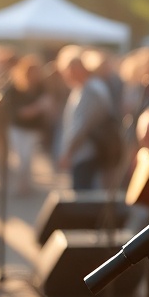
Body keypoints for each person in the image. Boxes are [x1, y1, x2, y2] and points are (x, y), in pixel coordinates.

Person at [55, 45, 118, 191]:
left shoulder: (91, 90)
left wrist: (68, 152)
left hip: (88, 153)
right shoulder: (83, 88)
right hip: (86, 151)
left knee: (84, 197)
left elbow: (82, 125)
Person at [5, 54, 53, 196]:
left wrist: (38, 109)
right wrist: (38, 107)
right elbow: (20, 113)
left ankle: (25, 184)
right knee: (20, 158)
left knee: (27, 158)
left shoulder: (41, 88)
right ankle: (21, 184)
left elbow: (48, 107)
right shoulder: (14, 88)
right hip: (18, 127)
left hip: (33, 128)